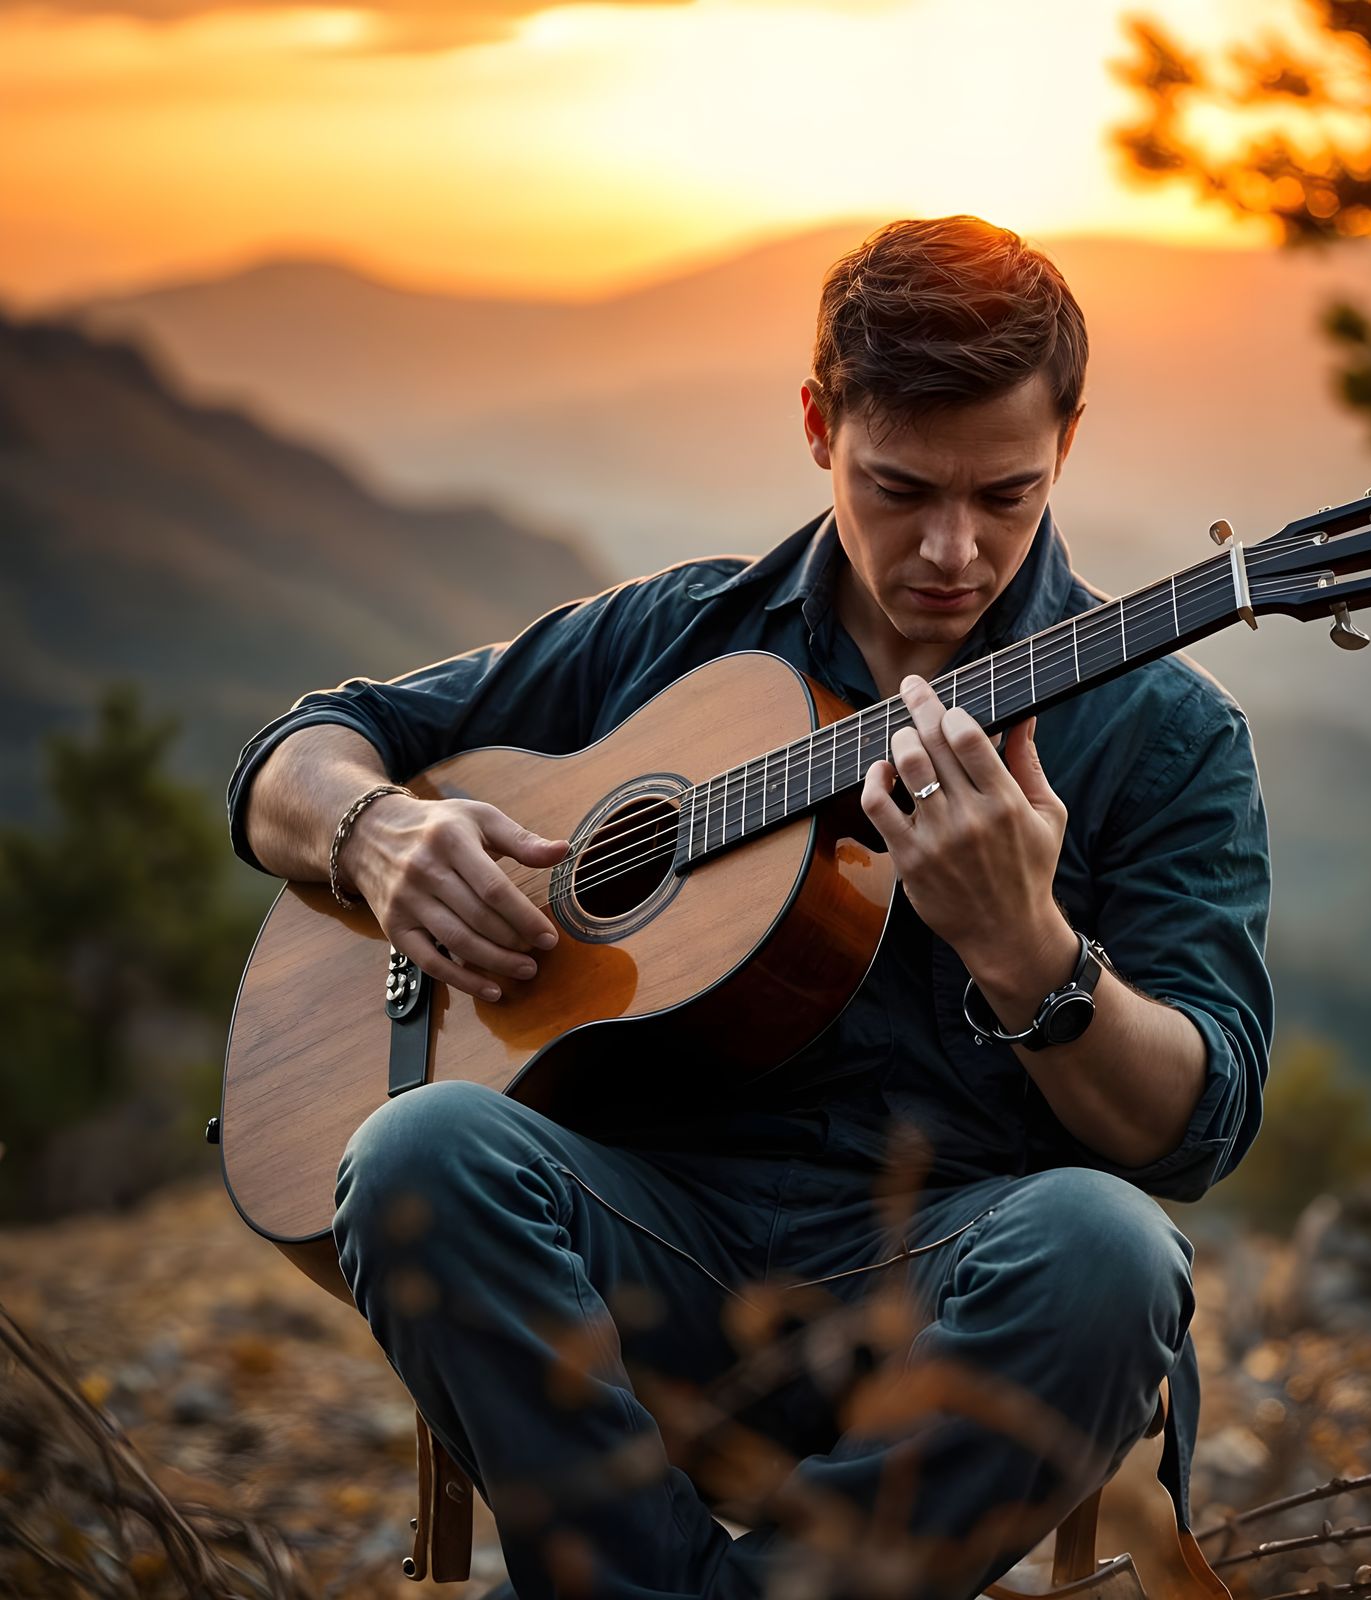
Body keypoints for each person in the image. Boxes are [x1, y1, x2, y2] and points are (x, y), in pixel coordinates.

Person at [226, 214, 1272, 1600]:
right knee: (419, 1148)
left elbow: (1197, 1128)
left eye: (1005, 495)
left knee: (1112, 1249)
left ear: (1067, 442)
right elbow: (299, 752)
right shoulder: (673, 641)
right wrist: (376, 832)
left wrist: (1032, 956)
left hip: (951, 1297)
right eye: (900, 487)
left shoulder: (1164, 731)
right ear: (816, 421)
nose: (953, 549)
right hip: (633, 1261)